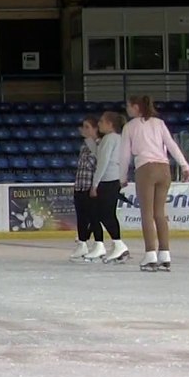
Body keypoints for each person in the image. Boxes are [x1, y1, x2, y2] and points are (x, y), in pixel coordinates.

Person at [118, 95, 189, 272]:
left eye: (128, 106)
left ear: (136, 107)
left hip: (146, 169)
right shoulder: (159, 123)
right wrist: (184, 165)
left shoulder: (129, 127)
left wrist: (122, 177)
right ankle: (165, 254)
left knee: (147, 213)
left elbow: (124, 155)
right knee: (160, 213)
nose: (127, 109)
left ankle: (150, 254)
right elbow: (171, 145)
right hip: (164, 169)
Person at [92, 111, 129, 263]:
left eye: (101, 121)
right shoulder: (119, 139)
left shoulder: (109, 138)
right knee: (108, 214)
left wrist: (95, 184)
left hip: (107, 180)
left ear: (110, 124)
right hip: (114, 180)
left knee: (104, 214)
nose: (99, 124)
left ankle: (119, 244)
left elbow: (103, 162)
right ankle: (117, 245)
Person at [70, 117, 105, 262]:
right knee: (81, 217)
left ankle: (99, 244)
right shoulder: (85, 145)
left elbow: (96, 165)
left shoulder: (99, 145)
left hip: (91, 187)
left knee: (94, 217)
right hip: (80, 184)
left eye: (87, 127)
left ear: (95, 129)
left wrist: (95, 186)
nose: (83, 129)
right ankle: (82, 243)